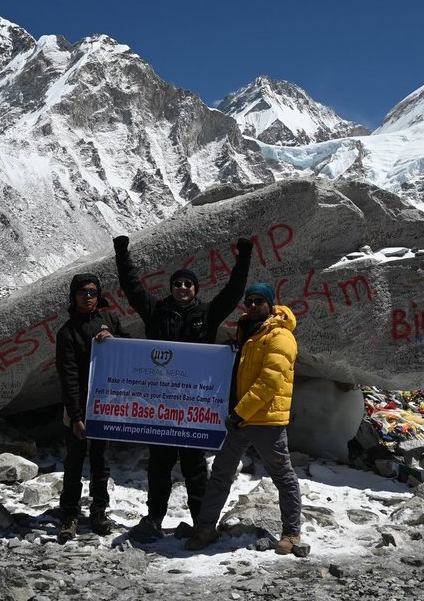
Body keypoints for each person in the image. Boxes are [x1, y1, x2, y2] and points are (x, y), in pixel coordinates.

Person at [114, 234, 253, 543]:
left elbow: (233, 292)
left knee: (194, 467)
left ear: (195, 289)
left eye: (188, 284)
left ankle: (202, 524)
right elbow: (132, 287)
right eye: (178, 284)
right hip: (160, 406)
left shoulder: (206, 316)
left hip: (194, 407)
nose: (182, 288)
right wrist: (121, 252)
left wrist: (244, 255)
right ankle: (153, 519)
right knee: (159, 466)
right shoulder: (155, 311)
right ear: (172, 288)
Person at [186, 282, 304, 555]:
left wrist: (240, 412)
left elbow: (269, 382)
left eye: (257, 302)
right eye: (248, 302)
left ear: (270, 304)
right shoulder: (250, 331)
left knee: (283, 477)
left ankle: (291, 533)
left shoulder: (281, 337)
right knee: (221, 474)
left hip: (267, 422)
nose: (251, 306)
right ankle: (206, 528)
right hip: (242, 419)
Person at [55, 273, 132, 541]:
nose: (88, 296)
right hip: (77, 407)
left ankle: (98, 512)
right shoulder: (67, 332)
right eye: (82, 292)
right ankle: (69, 515)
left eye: (92, 291)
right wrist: (76, 417)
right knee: (74, 463)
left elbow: (129, 346)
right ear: (73, 296)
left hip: (105, 404)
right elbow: (69, 377)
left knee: (101, 463)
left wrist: (113, 338)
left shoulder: (109, 319)